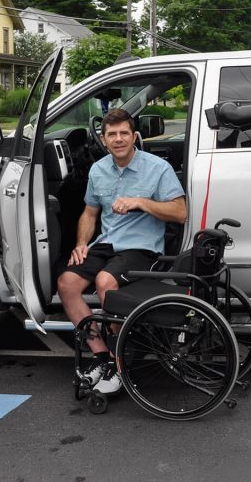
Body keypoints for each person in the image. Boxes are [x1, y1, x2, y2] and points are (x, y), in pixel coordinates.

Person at [57, 107, 186, 393]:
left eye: (124, 133)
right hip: (105, 244)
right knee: (66, 283)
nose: (118, 139)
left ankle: (119, 364)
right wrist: (81, 243)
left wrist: (140, 202)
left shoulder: (157, 168)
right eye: (112, 134)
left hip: (142, 248)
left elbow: (180, 212)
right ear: (103, 140)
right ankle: (102, 356)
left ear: (134, 136)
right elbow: (90, 213)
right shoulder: (98, 170)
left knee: (106, 282)